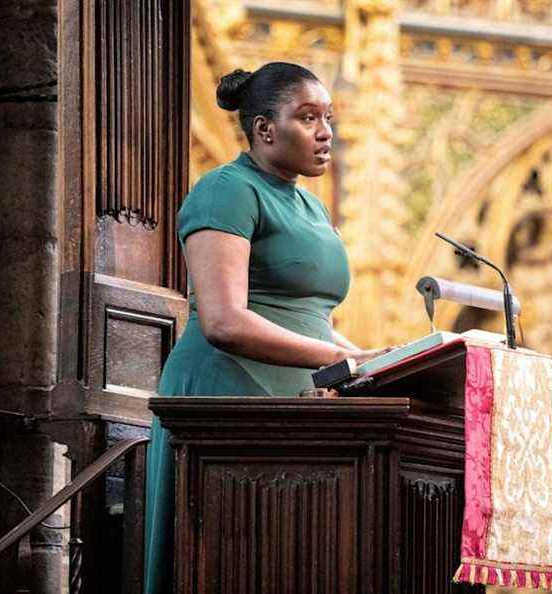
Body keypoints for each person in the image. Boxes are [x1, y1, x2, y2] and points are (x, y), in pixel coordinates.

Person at [143, 62, 389, 593]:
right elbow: (225, 321)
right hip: (224, 398)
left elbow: (310, 316)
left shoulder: (311, 206)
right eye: (308, 118)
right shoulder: (226, 191)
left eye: (328, 118)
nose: (326, 132)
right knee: (223, 563)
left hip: (290, 402)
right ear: (264, 129)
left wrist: (374, 358)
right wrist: (339, 362)